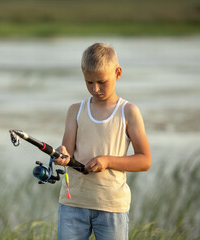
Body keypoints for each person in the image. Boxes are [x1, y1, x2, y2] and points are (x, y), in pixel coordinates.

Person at [54, 43, 151, 240]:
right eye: (89, 82)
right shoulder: (75, 110)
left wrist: (107, 161)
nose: (95, 89)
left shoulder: (129, 112)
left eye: (101, 81)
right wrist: (61, 155)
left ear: (118, 73)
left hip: (112, 206)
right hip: (73, 204)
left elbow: (145, 160)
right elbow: (67, 154)